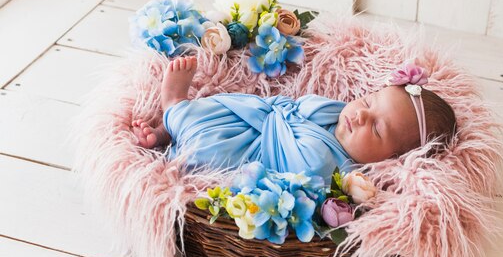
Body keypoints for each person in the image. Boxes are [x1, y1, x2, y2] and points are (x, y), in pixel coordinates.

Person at [132, 56, 456, 179]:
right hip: (259, 118)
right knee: (219, 104)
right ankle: (169, 119)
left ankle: (174, 124)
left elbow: (301, 171)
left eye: (376, 127)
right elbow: (295, 104)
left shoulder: (342, 173)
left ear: (392, 159)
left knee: (207, 152)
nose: (360, 115)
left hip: (255, 154)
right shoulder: (339, 114)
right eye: (369, 102)